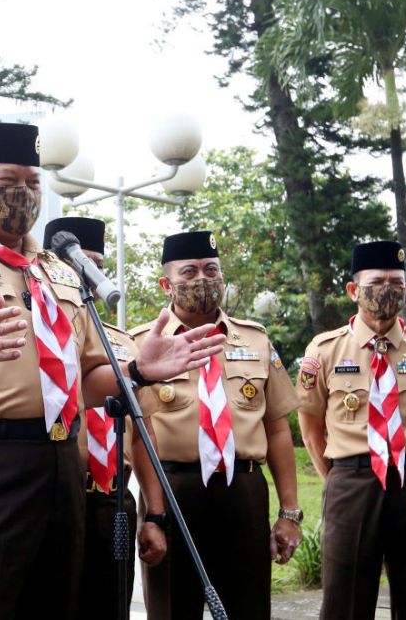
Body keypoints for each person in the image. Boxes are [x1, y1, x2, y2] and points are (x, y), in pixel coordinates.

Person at [0, 122, 223, 619]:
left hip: (59, 464)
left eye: (33, 183)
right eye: (8, 180)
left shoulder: (59, 271)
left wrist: (138, 369)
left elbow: (87, 382)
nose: (24, 193)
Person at [131, 230, 302, 620]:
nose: (202, 280)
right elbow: (138, 435)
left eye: (211, 270)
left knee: (248, 608)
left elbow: (277, 428)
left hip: (242, 490)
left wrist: (289, 512)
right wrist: (154, 515)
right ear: (165, 284)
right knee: (173, 608)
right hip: (174, 491)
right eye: (188, 272)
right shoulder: (144, 345)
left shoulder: (255, 340)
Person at [298, 240, 406, 620]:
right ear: (354, 290)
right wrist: (338, 475)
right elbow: (310, 426)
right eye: (377, 281)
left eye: (396, 282)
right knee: (345, 597)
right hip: (350, 482)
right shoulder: (325, 349)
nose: (387, 289)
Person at [42, 216, 165, 619]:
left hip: (113, 502)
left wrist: (155, 515)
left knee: (111, 608)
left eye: (93, 264)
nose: (85, 274)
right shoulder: (41, 334)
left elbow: (143, 435)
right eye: (75, 264)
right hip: (58, 497)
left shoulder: (124, 344)